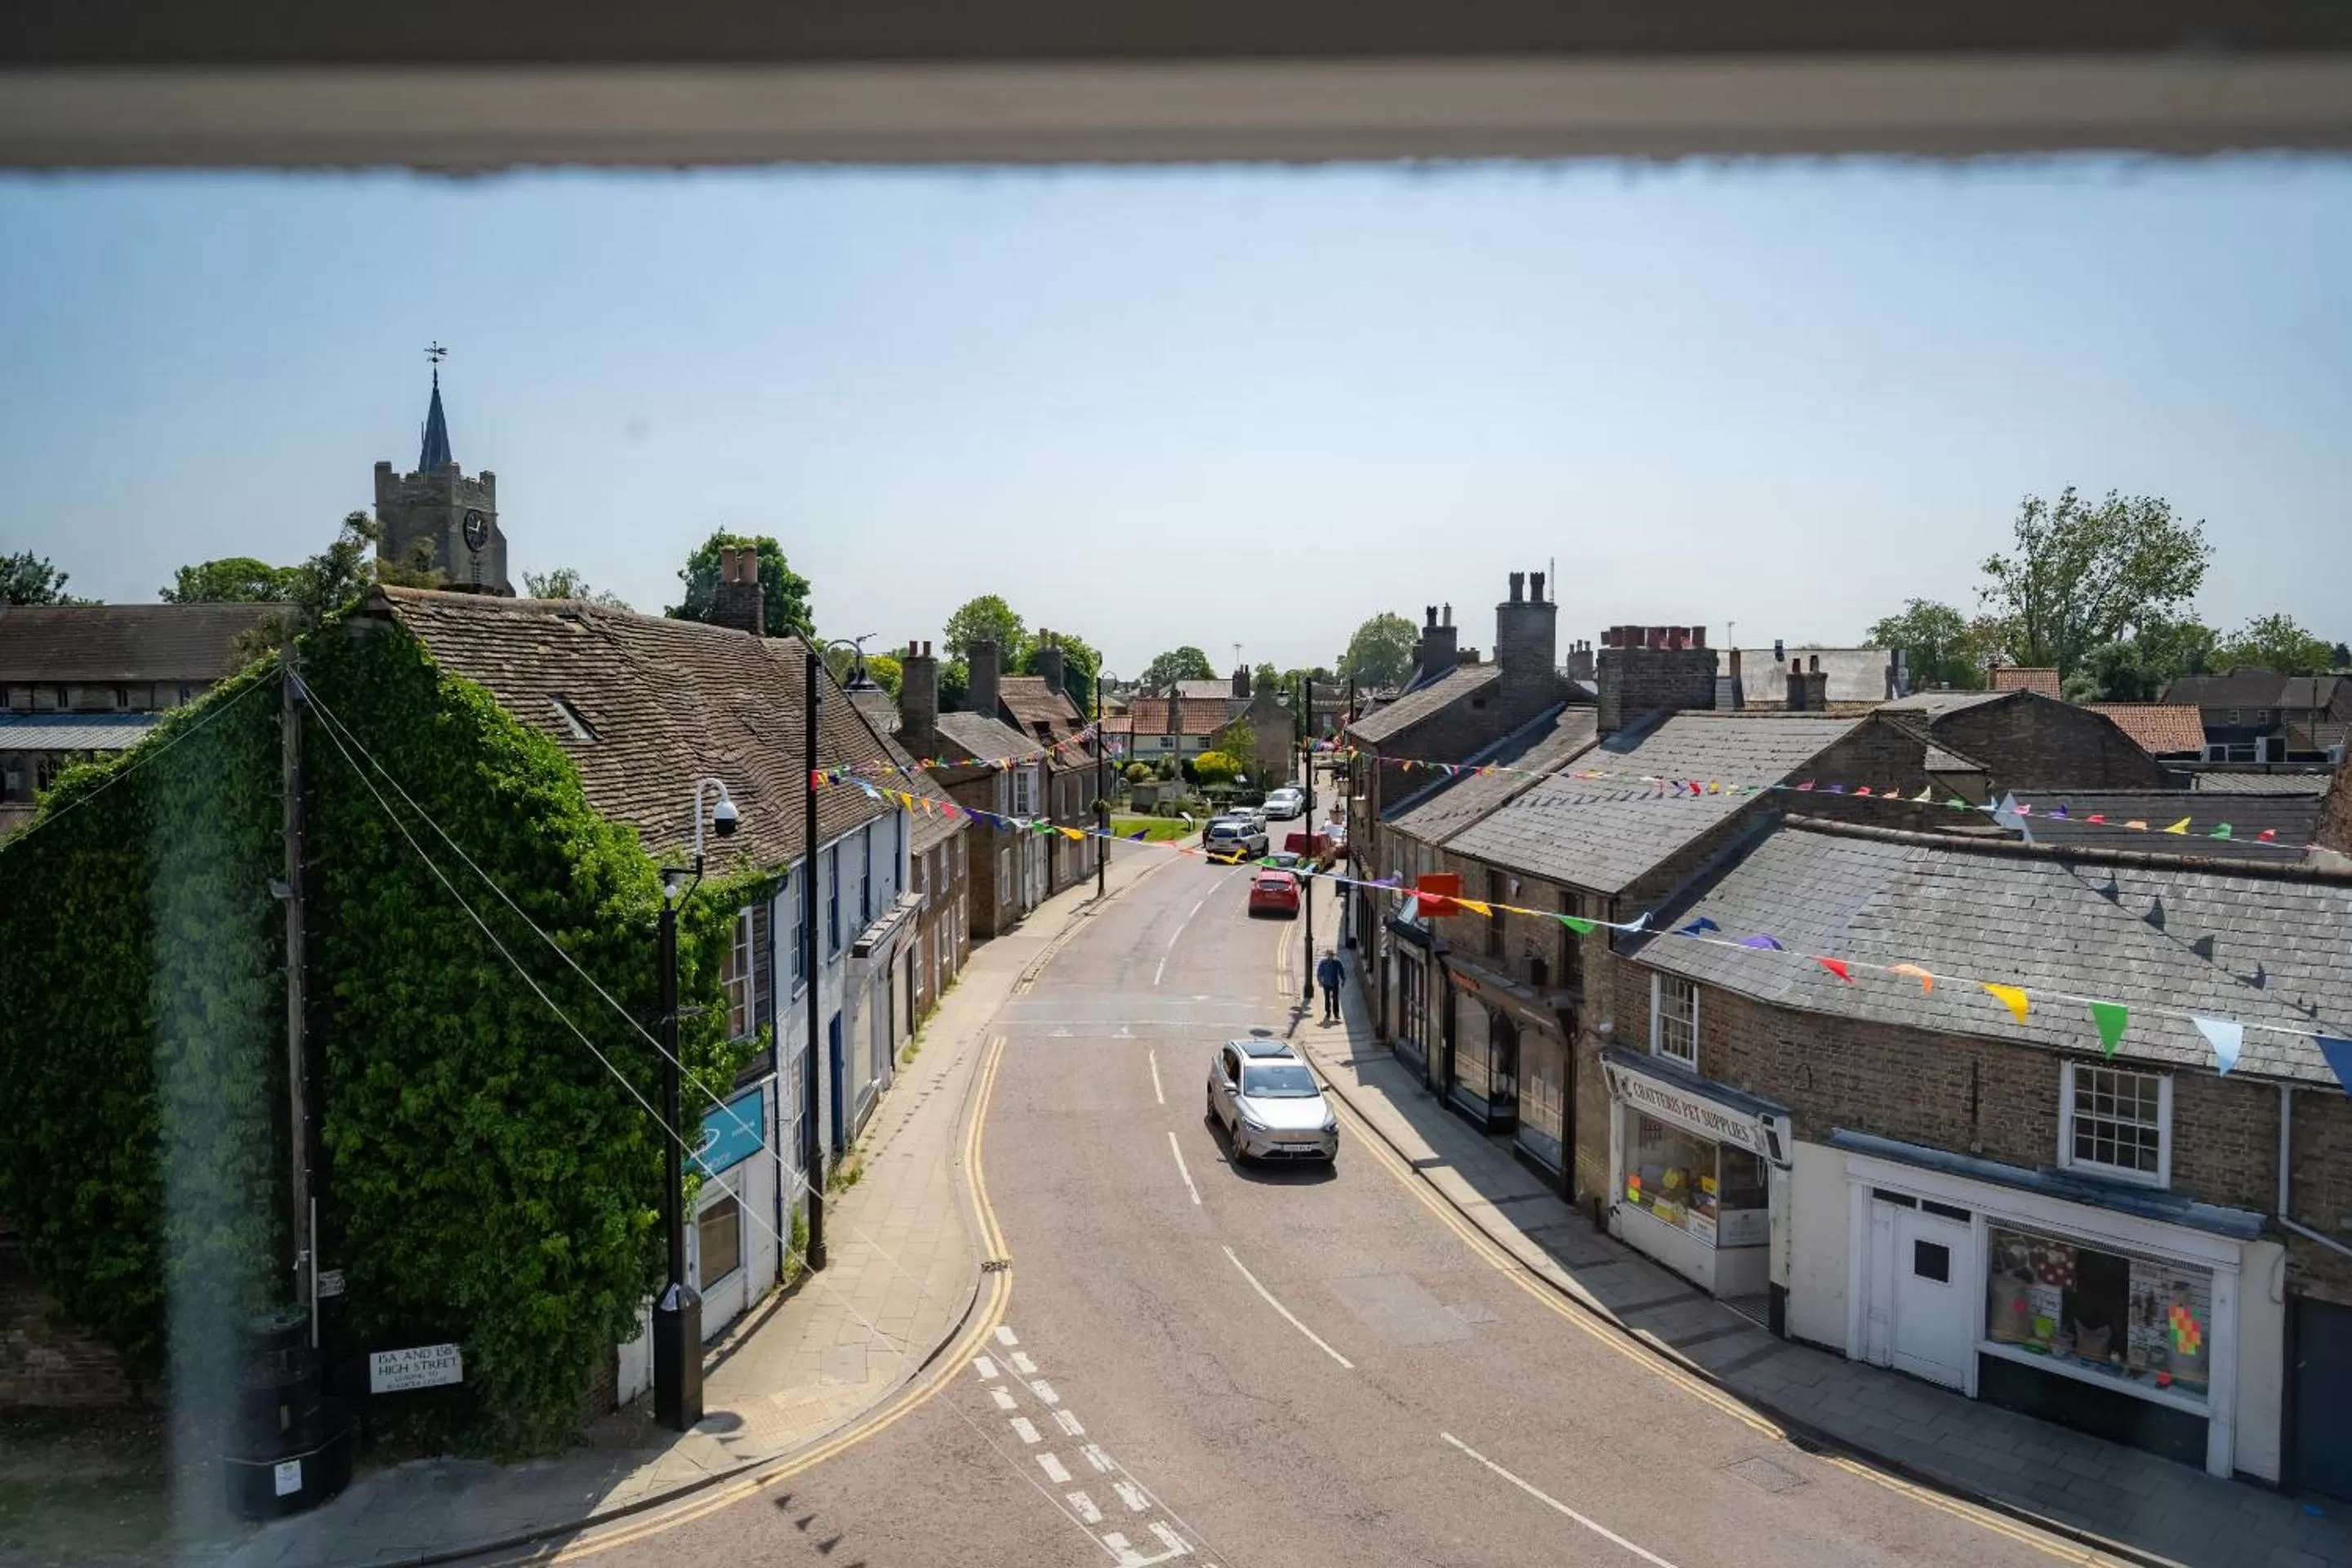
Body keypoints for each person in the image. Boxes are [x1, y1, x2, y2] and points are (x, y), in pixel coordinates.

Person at [1316, 951, 1345, 1024]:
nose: (1331, 957)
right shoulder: (1323, 963)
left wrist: (1343, 980)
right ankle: (1328, 1013)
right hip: (1326, 984)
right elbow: (1319, 972)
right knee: (1327, 999)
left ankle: (1336, 1014)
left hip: (1335, 983)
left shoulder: (1337, 962)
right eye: (1330, 955)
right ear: (1327, 955)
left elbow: (1341, 971)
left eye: (1332, 955)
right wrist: (1320, 981)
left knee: (1335, 999)